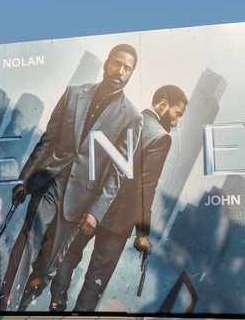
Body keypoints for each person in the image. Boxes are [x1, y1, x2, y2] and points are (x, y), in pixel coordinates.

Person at [0, 44, 143, 312]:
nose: (120, 71)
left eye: (127, 68)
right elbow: (47, 139)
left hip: (82, 200)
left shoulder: (132, 118)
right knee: (26, 243)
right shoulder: (74, 93)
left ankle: (23, 305)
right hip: (49, 182)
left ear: (131, 74)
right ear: (107, 63)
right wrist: (24, 179)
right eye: (117, 64)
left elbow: (117, 172)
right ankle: (5, 308)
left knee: (48, 264)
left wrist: (96, 212)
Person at [50, 84, 188, 312]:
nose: (176, 121)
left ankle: (57, 307)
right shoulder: (161, 138)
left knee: (70, 255)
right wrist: (142, 233)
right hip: (119, 222)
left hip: (91, 207)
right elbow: (146, 187)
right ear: (163, 105)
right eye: (177, 113)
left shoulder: (127, 118)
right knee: (96, 279)